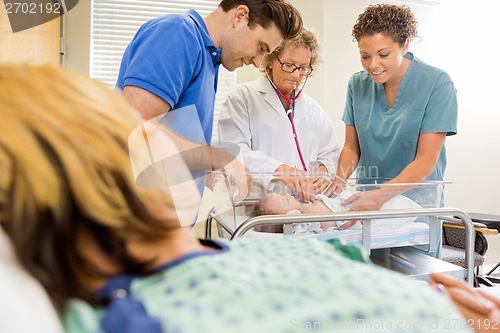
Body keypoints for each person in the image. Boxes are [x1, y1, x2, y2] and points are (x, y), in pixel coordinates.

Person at [0, 64, 472, 333]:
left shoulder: (300, 249)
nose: (175, 133)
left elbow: (333, 156)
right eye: (142, 132)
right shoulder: (129, 315)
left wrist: (456, 316)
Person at [116, 0, 303, 200]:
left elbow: (171, 146)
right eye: (260, 47)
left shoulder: (209, 62)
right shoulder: (178, 34)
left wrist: (215, 174)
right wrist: (219, 159)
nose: (258, 62)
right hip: (132, 217)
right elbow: (134, 126)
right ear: (240, 16)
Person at [327, 4, 458, 254]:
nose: (373, 64)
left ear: (405, 45)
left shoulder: (437, 84)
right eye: (365, 56)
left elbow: (425, 161)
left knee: (412, 282)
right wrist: (339, 178)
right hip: (367, 208)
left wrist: (380, 196)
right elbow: (352, 148)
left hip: (415, 210)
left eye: (383, 54)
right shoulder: (357, 84)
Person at [218, 28, 340, 203]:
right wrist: (279, 170)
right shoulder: (243, 98)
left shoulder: (313, 109)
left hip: (304, 209)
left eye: (304, 68)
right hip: (257, 209)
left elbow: (330, 152)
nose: (296, 74)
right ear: (270, 60)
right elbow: (233, 152)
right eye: (289, 65)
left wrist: (324, 170)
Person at [257, 190, 421, 233]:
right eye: (284, 200)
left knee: (392, 203)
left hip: (353, 202)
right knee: (388, 212)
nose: (287, 194)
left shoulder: (306, 202)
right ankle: (408, 212)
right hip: (352, 216)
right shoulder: (303, 219)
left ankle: (412, 209)